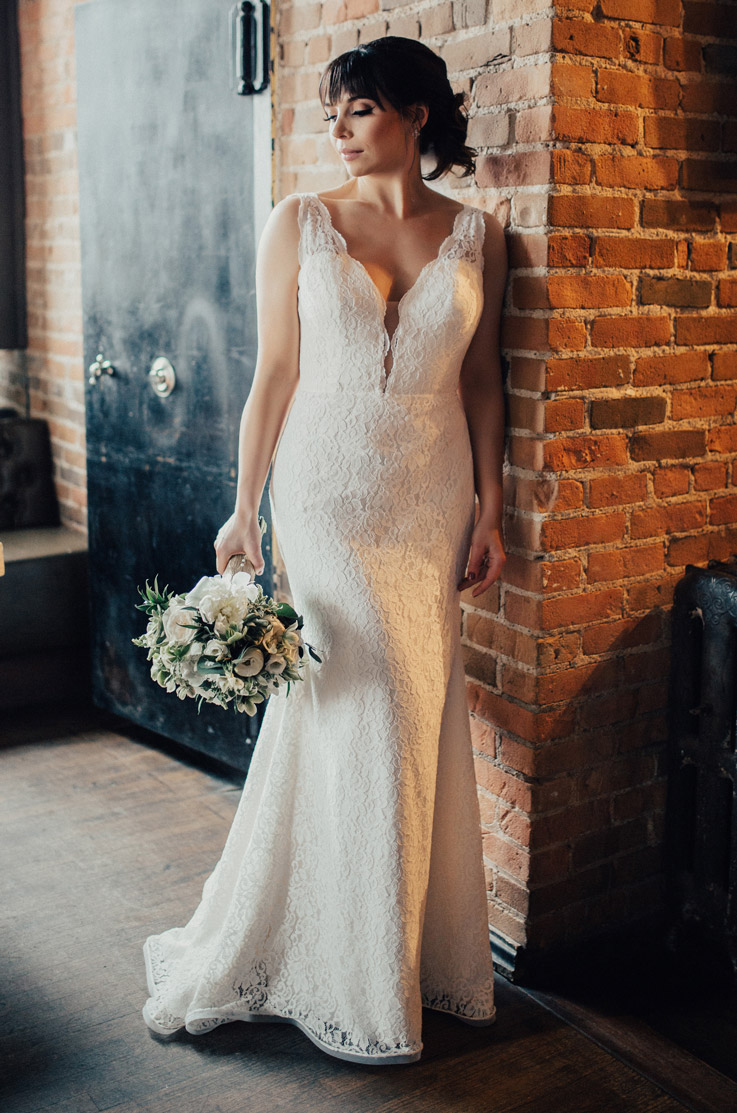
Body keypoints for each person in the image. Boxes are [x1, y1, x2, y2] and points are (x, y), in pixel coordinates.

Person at [141, 35, 507, 1066]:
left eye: (355, 110)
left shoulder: (479, 237)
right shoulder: (297, 223)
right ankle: (354, 973)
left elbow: (482, 383)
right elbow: (271, 378)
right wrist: (243, 508)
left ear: (414, 114)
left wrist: (491, 508)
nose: (335, 131)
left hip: (429, 493)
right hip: (325, 491)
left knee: (403, 708)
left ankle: (398, 949)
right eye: (330, 113)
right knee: (368, 699)